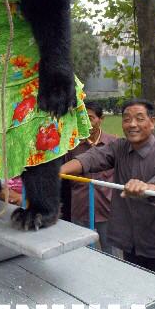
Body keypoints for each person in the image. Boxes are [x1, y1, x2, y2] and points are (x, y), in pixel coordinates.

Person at [60, 98, 155, 276]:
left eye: (139, 118)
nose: (132, 124)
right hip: (130, 241)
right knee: (135, 285)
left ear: (152, 122)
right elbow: (92, 158)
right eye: (126, 119)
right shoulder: (119, 147)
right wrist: (58, 171)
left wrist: (148, 187)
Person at [64, 101, 117, 254]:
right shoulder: (72, 145)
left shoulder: (113, 143)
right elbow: (64, 173)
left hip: (107, 209)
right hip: (80, 208)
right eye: (83, 118)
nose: (87, 122)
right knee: (81, 251)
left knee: (110, 252)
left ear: (101, 119)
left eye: (91, 118)